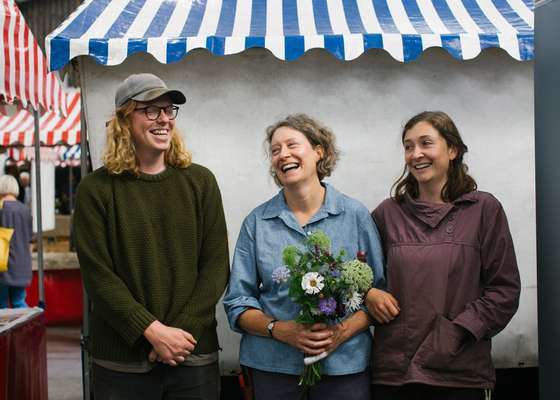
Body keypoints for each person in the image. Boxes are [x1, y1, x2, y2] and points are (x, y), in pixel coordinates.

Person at [73, 73, 229, 399]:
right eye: (150, 110)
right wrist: (152, 331)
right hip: (122, 362)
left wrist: (178, 333)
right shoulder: (95, 190)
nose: (163, 119)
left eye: (169, 110)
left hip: (192, 353)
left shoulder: (201, 182)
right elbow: (98, 276)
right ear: (124, 120)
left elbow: (215, 267)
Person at [223, 113, 388, 400]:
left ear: (318, 151)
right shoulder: (257, 222)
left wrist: (342, 332)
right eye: (275, 150)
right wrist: (279, 330)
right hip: (272, 366)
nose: (282, 154)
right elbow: (237, 302)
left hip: (344, 366)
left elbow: (380, 295)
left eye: (291, 145)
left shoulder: (355, 215)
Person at [368, 111, 521, 399]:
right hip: (394, 374)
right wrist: (369, 294)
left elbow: (504, 291)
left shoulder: (484, 210)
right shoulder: (387, 214)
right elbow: (358, 274)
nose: (416, 154)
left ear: (452, 150)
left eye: (426, 143)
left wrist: (453, 334)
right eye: (408, 146)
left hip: (459, 372)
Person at [0, 175, 33, 308]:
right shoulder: (25, 210)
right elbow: (30, 239)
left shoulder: (1, 209)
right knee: (19, 302)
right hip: (22, 264)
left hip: (3, 264)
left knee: (2, 305)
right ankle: (25, 328)